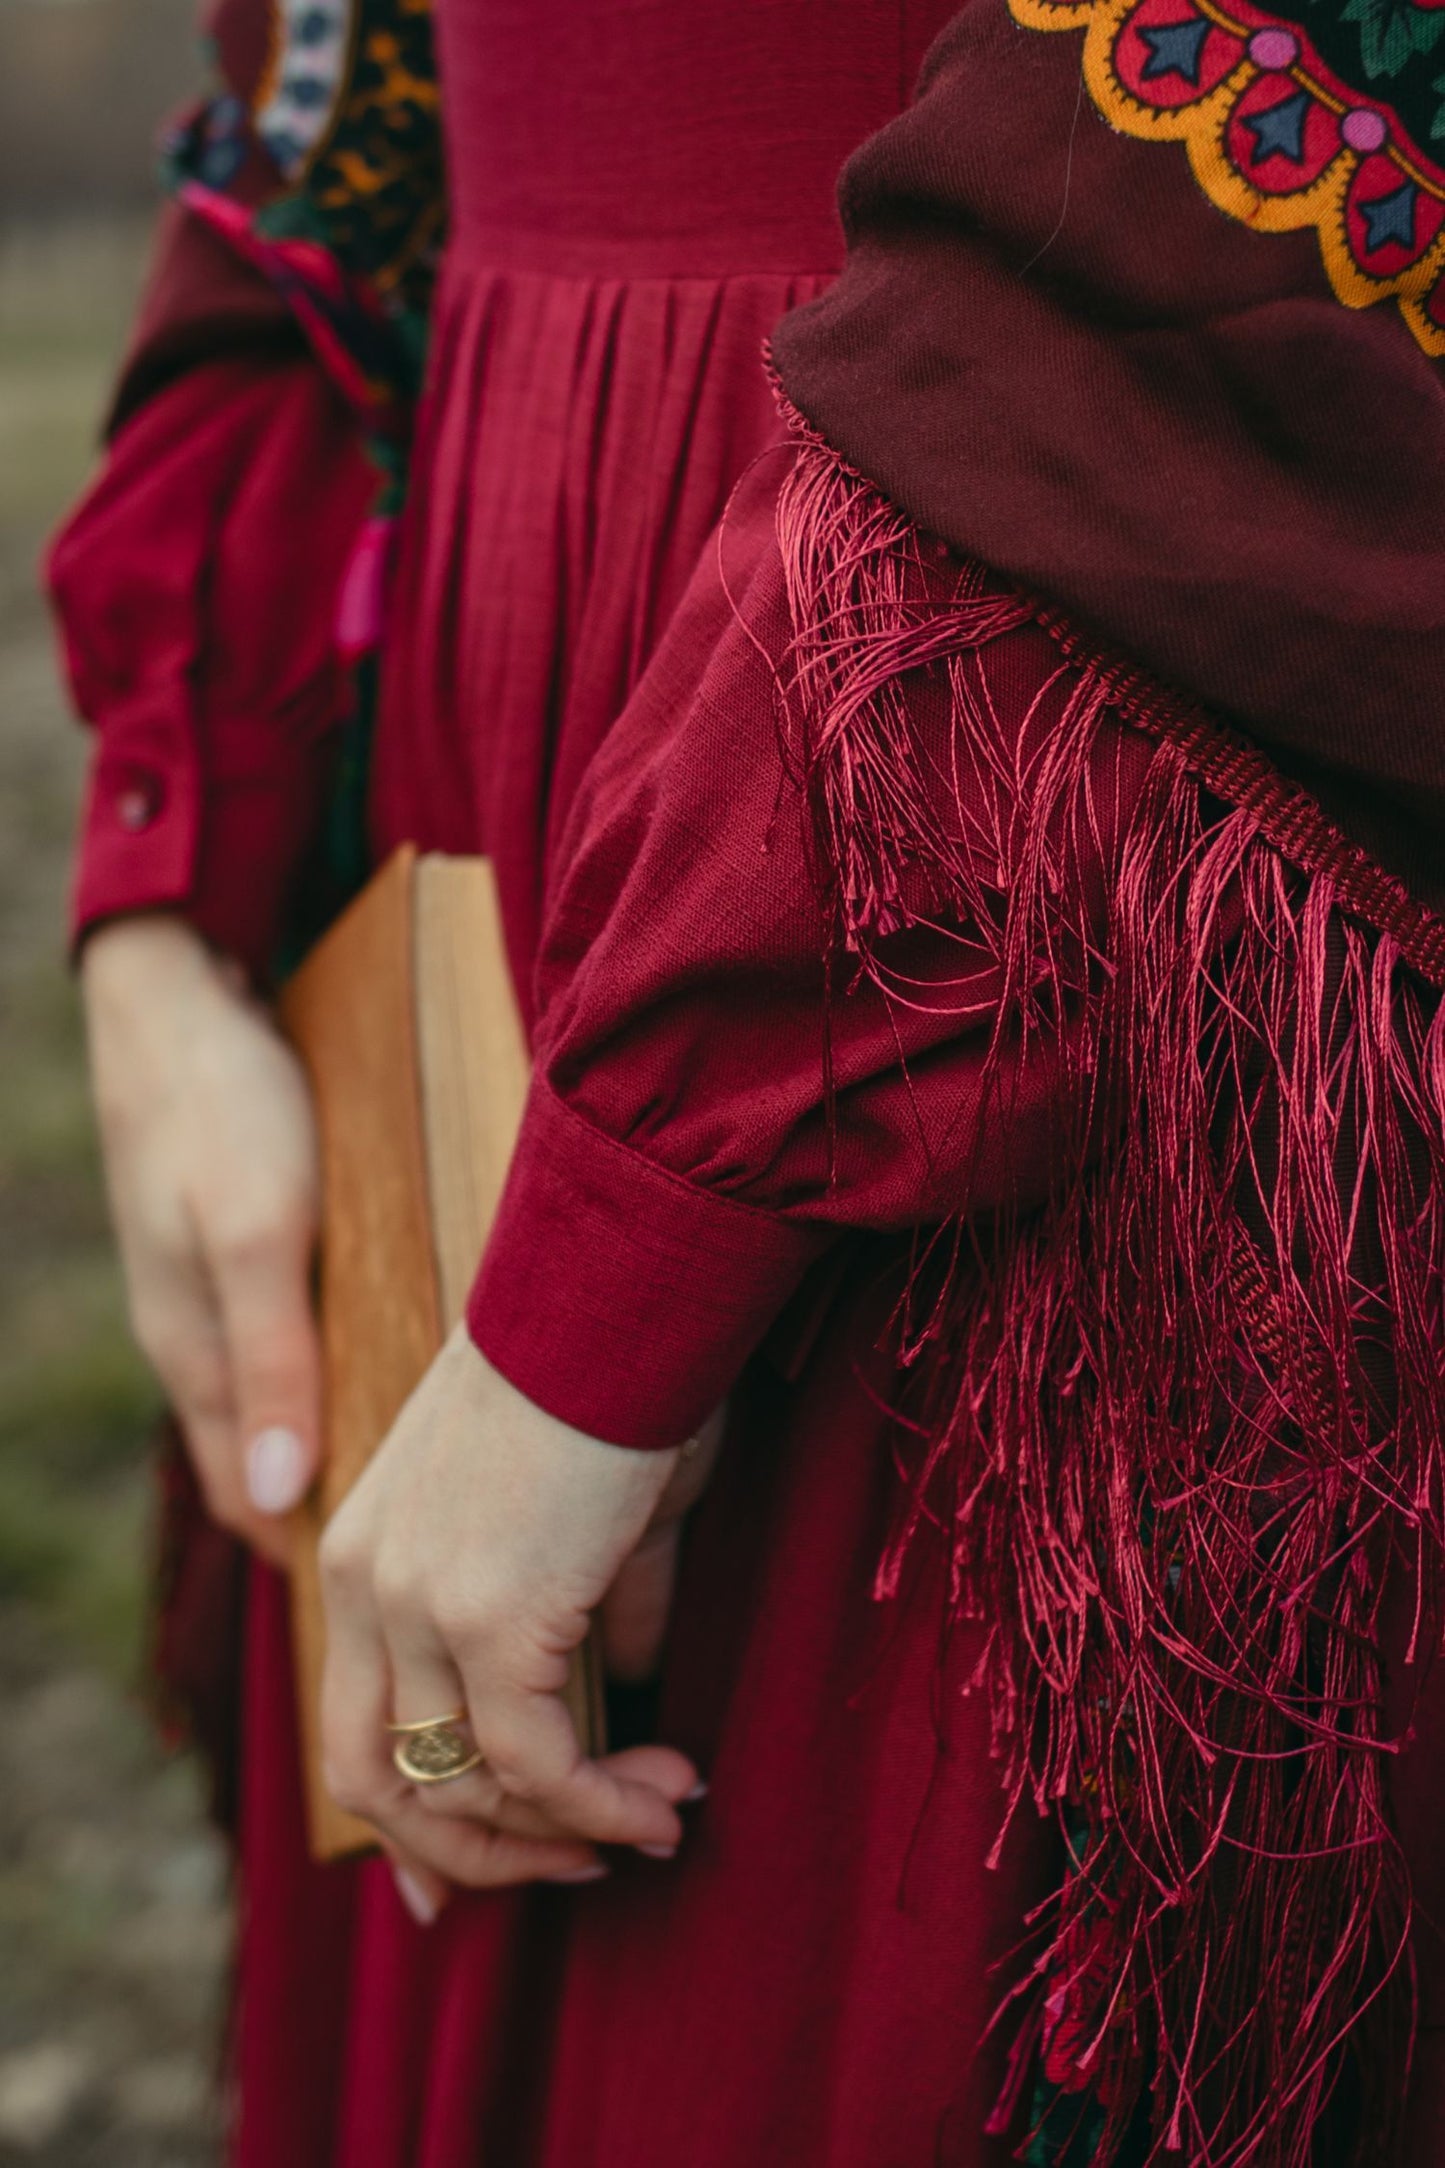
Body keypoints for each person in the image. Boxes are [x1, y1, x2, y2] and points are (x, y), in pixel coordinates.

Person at [46, 0, 1445, 2159]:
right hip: (456, 789)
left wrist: (629, 1250)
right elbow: (326, 109)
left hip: (1010, 818)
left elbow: (1240, 189)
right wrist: (164, 908)